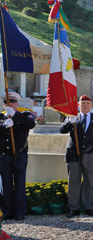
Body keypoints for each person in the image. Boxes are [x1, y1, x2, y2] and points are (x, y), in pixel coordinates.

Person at [60, 95, 93, 217]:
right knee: (74, 181)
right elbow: (62, 130)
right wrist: (69, 123)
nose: (85, 105)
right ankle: (74, 208)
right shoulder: (72, 117)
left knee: (90, 181)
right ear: (78, 105)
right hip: (74, 154)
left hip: (90, 153)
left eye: (88, 103)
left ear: (91, 105)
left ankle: (88, 207)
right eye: (83, 103)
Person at [0, 92, 35, 221]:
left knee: (20, 184)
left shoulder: (24, 115)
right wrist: (4, 126)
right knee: (6, 184)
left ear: (17, 104)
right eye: (7, 102)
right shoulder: (0, 117)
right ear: (4, 105)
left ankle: (20, 212)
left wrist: (15, 115)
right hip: (4, 156)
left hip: (19, 155)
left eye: (13, 102)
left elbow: (31, 124)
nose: (10, 104)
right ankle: (8, 211)